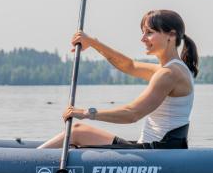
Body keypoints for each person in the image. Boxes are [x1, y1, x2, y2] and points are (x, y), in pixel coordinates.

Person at [38, 9, 199, 149]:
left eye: (149, 32)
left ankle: (25, 164)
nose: (143, 39)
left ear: (171, 35)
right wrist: (92, 43)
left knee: (77, 131)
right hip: (155, 148)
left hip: (157, 152)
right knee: (77, 133)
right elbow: (129, 65)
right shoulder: (171, 69)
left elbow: (132, 114)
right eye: (143, 32)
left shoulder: (169, 73)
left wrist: (86, 113)